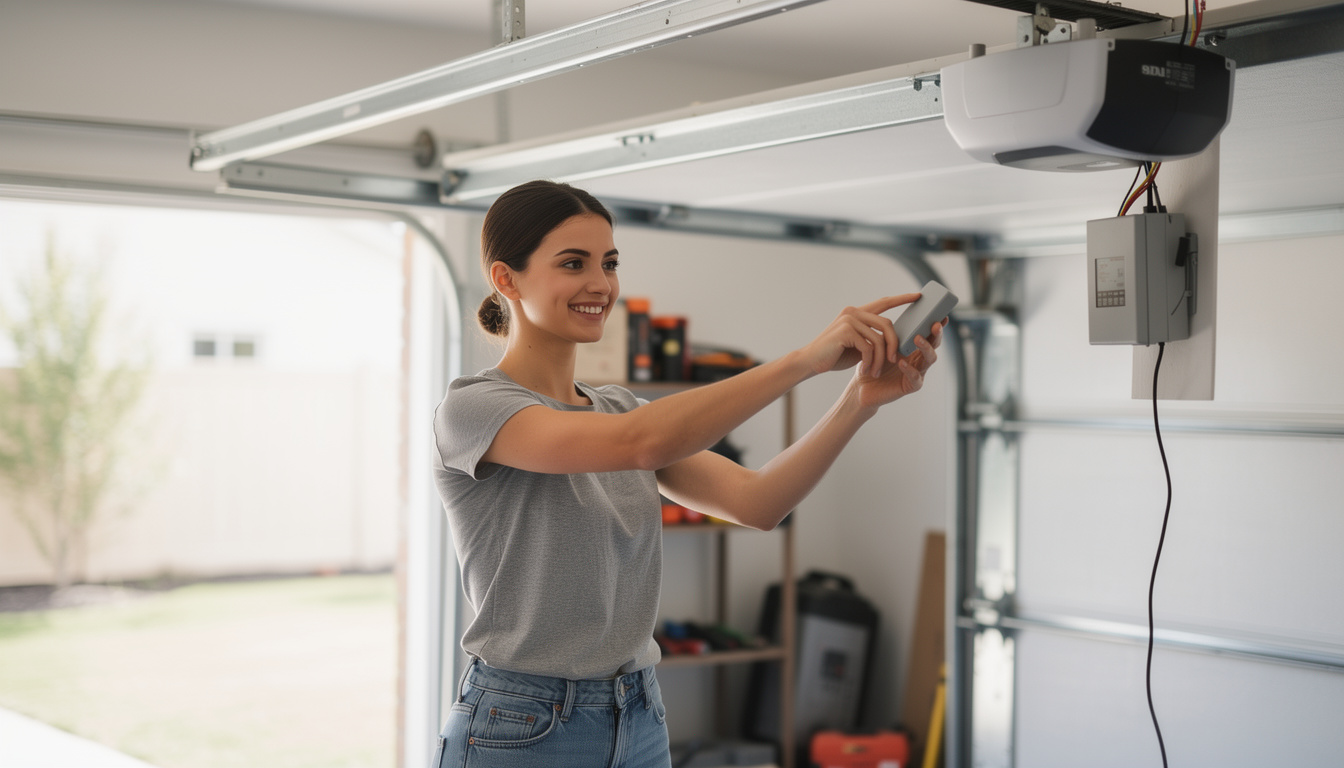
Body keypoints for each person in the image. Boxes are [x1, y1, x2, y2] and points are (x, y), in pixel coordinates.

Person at [430, 180, 946, 768]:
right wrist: (805, 360)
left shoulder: (618, 406)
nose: (600, 284)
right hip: (524, 721)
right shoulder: (474, 409)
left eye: (610, 262)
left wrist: (859, 400)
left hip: (638, 710)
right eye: (573, 263)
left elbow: (757, 503)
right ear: (506, 278)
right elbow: (643, 444)